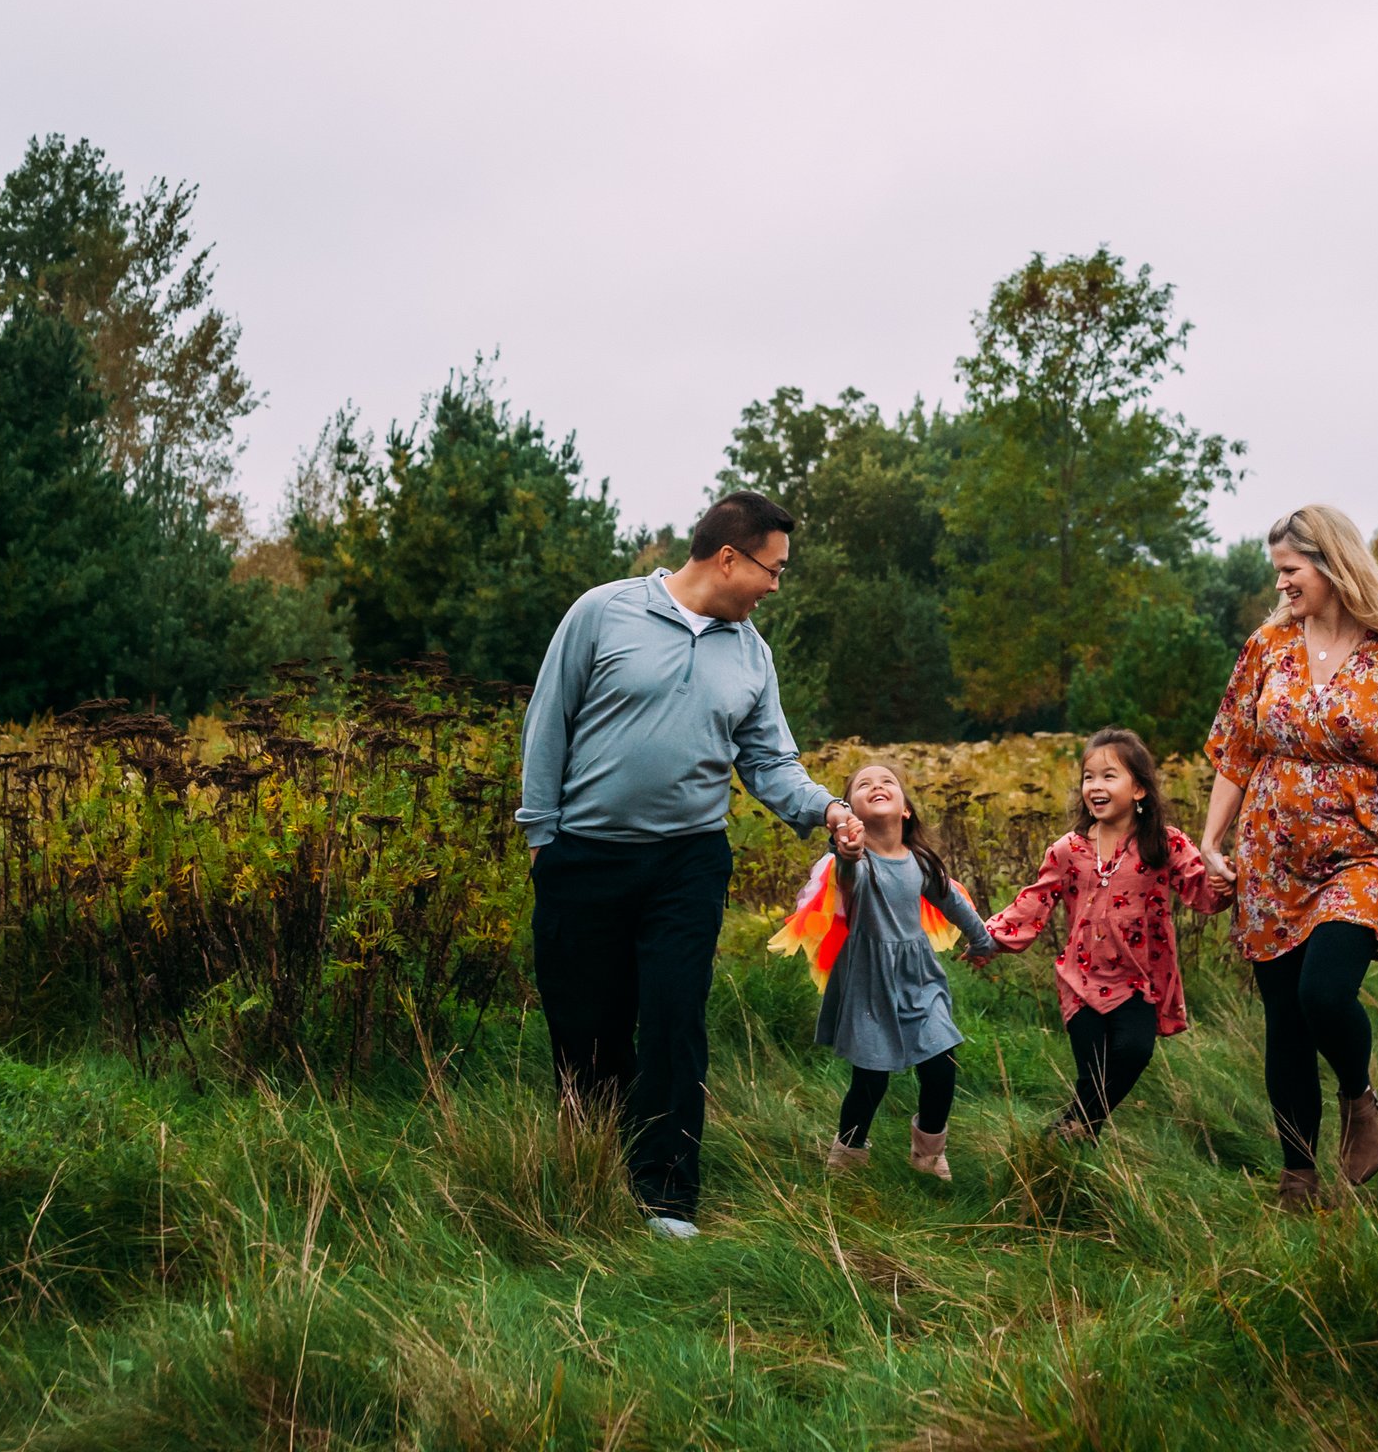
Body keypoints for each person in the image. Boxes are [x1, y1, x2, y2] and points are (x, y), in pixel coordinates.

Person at [518, 490, 864, 1240]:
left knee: (676, 1022)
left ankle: (667, 1197)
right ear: (729, 558)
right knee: (587, 1028)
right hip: (584, 859)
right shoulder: (603, 613)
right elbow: (549, 720)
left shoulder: (751, 653)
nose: (778, 585)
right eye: (773, 570)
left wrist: (828, 810)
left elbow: (770, 760)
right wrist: (542, 837)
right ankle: (590, 1170)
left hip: (686, 865)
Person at [1199, 505, 1378, 1211]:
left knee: (1323, 995)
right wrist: (1210, 842)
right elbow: (1236, 750)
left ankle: (1356, 1092)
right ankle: (1298, 1180)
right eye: (1278, 572)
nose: (1281, 585)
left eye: (1291, 571)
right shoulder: (1267, 648)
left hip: (1359, 854)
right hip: (1269, 857)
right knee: (1284, 1019)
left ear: (1332, 566)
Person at [980, 727, 1222, 1138]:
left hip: (1138, 982)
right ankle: (1073, 1144)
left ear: (1140, 789)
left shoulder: (1165, 845)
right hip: (1082, 981)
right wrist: (988, 937)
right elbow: (1033, 902)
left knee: (1134, 1051)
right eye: (1089, 777)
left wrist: (1224, 880)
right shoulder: (1068, 849)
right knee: (1093, 1072)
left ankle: (1068, 1131)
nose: (1095, 786)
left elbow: (1202, 892)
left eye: (1109, 776)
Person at [768, 761, 998, 1180]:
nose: (877, 786)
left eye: (887, 782)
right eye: (863, 785)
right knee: (871, 1077)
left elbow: (953, 903)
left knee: (941, 1063)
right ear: (848, 813)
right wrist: (847, 849)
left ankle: (928, 1154)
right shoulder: (855, 863)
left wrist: (981, 940)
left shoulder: (922, 862)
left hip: (920, 979)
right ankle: (848, 1153)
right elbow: (848, 871)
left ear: (906, 809)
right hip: (869, 982)